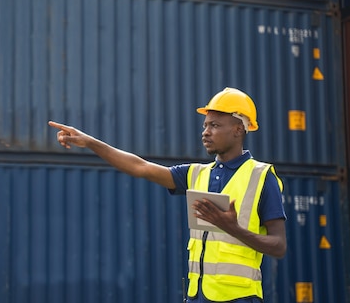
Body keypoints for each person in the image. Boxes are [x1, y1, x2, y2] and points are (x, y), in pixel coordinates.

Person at [48, 87, 286, 303]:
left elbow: (278, 246)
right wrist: (90, 142)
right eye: (205, 125)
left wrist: (234, 228)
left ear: (238, 129)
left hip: (240, 299)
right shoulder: (196, 174)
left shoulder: (262, 177)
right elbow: (140, 167)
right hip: (196, 296)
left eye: (214, 125)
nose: (205, 132)